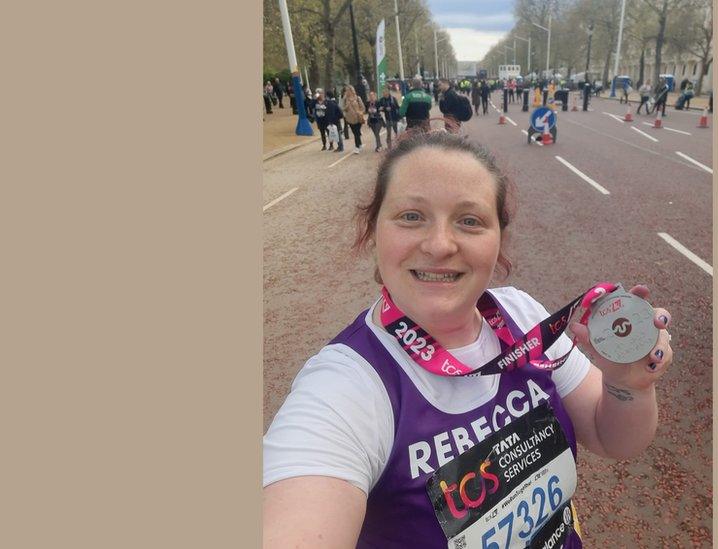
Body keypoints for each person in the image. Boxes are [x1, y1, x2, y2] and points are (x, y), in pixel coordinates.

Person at [262, 130, 675, 548]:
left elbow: (612, 438)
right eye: (411, 216)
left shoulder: (525, 317)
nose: (440, 245)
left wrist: (627, 383)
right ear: (373, 232)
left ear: (499, 241)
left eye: (469, 221)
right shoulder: (344, 388)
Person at [342, 84, 367, 154]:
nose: (347, 92)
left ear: (351, 91)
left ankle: (357, 147)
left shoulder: (357, 98)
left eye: (348, 90)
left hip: (358, 118)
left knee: (356, 132)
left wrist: (360, 112)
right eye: (346, 90)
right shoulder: (345, 99)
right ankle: (359, 144)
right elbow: (343, 108)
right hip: (350, 119)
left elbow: (363, 108)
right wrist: (346, 107)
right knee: (355, 132)